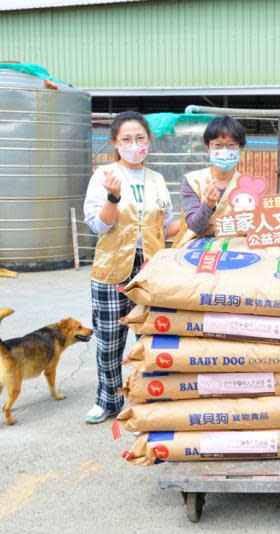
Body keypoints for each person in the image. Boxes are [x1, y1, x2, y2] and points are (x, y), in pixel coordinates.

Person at [83, 111, 180, 423]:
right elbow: (98, 226)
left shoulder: (158, 180)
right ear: (114, 142)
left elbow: (165, 227)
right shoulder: (104, 175)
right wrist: (112, 198)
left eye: (140, 138)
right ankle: (108, 400)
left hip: (151, 268)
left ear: (149, 142)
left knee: (150, 338)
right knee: (110, 338)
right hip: (113, 268)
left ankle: (148, 394)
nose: (134, 144)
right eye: (126, 139)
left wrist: (203, 216)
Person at [177, 115, 247, 246]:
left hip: (234, 249)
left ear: (240, 147)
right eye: (218, 145)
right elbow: (194, 227)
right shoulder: (192, 181)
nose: (224, 150)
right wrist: (208, 204)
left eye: (231, 145)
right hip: (195, 251)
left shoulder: (248, 184)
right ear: (208, 147)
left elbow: (258, 224)